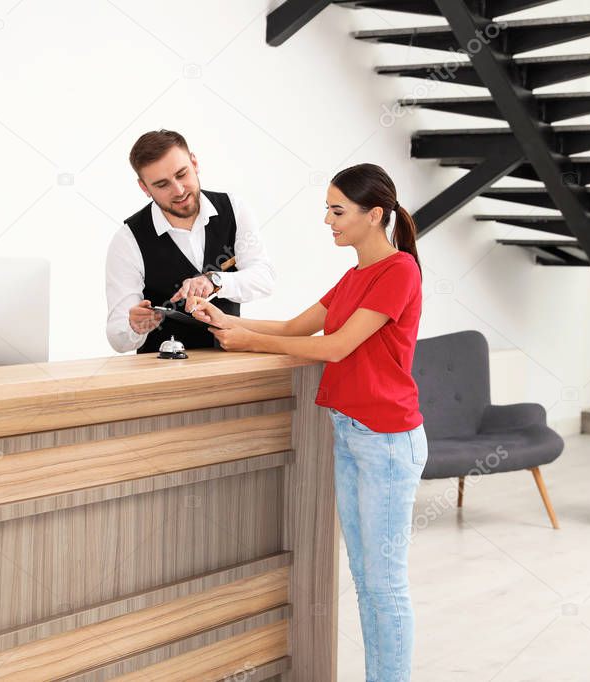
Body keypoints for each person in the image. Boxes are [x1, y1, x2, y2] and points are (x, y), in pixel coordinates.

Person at [189, 163, 426, 682]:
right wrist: (229, 320)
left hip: (387, 439)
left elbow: (337, 347)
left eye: (337, 210)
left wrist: (252, 342)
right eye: (327, 208)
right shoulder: (354, 276)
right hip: (350, 431)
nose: (327, 220)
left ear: (375, 215)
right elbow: (297, 326)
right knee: (365, 579)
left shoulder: (400, 271)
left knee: (385, 583)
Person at [104, 129, 275, 354]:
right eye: (162, 185)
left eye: (182, 174)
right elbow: (118, 339)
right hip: (164, 376)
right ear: (144, 188)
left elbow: (264, 278)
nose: (179, 190)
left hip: (232, 363)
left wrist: (215, 280)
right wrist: (134, 327)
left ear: (194, 163)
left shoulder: (234, 209)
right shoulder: (128, 240)